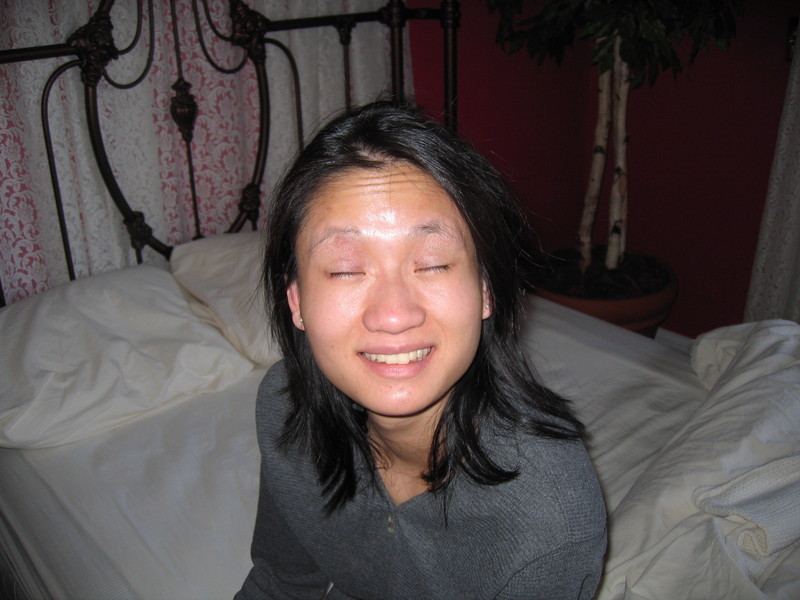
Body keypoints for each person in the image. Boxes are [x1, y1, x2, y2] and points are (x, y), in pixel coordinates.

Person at [235, 100, 606, 600]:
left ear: (486, 290)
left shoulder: (551, 518)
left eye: (432, 263)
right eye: (345, 269)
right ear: (296, 301)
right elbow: (281, 583)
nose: (394, 315)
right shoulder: (285, 408)